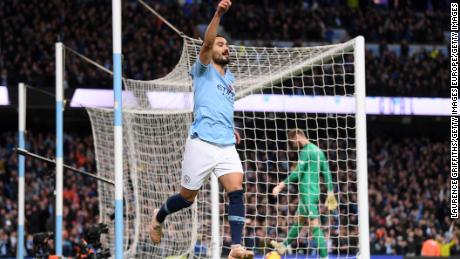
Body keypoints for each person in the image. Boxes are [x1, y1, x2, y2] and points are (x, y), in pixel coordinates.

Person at [149, 1, 253, 258]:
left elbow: (222, 108)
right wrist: (218, 14)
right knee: (187, 198)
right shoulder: (203, 69)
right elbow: (206, 44)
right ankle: (159, 215)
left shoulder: (230, 79)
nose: (225, 47)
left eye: (226, 45)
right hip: (202, 142)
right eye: (221, 44)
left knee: (236, 190)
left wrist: (232, 129)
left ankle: (236, 247)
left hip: (226, 144)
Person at [271, 129, 337, 259]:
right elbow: (327, 173)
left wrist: (281, 185)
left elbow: (298, 172)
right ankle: (283, 246)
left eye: (292, 141)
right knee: (299, 222)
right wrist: (330, 192)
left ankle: (325, 257)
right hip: (313, 192)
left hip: (307, 193)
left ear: (297, 136)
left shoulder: (306, 151)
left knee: (315, 226)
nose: (292, 144)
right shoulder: (319, 151)